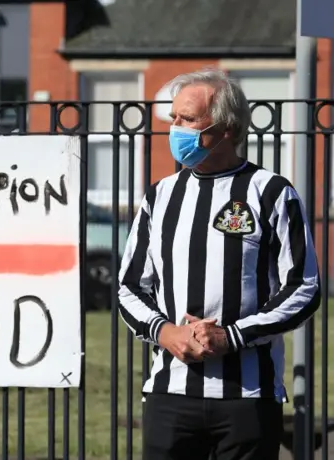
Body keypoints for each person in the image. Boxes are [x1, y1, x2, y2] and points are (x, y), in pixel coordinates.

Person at [117, 68, 321, 460]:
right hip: (170, 395)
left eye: (187, 119)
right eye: (173, 118)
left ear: (226, 128)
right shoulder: (161, 196)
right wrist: (165, 333)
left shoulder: (273, 193)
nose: (175, 128)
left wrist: (232, 336)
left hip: (248, 398)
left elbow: (304, 288)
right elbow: (130, 287)